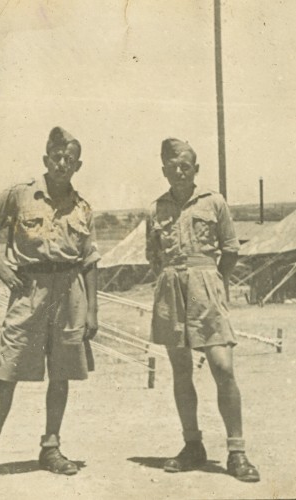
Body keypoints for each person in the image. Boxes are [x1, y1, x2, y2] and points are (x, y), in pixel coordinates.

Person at [0, 127, 100, 484]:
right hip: (30, 289)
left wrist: (92, 312)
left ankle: (51, 447)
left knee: (62, 371)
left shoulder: (82, 207)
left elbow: (89, 261)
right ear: (46, 159)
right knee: (8, 369)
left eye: (69, 158)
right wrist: (2, 268)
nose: (62, 163)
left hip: (71, 291)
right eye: (57, 156)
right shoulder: (20, 195)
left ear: (77, 165)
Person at [145, 138, 260, 482]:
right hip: (170, 290)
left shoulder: (215, 202)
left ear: (196, 169)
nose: (178, 171)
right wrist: (172, 282)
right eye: (172, 166)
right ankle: (192, 445)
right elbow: (153, 257)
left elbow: (230, 249)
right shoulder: (155, 209)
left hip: (207, 287)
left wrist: (213, 282)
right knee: (181, 372)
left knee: (223, 368)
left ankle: (237, 452)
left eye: (185, 166)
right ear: (163, 169)